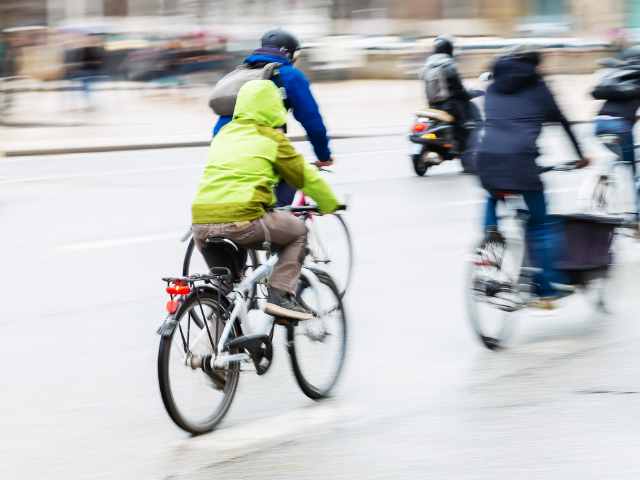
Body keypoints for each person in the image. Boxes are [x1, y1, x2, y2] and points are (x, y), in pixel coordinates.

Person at [192, 79, 338, 320]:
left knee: (227, 293)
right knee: (298, 232)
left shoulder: (224, 134)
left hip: (201, 222)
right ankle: (280, 296)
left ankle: (218, 351)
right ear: (274, 107)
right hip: (243, 220)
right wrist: (331, 204)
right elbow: (306, 178)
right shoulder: (272, 138)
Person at [475, 46, 590, 308]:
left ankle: (490, 238)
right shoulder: (539, 88)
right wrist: (581, 155)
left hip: (487, 158)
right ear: (534, 65)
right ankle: (546, 290)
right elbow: (561, 121)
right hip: (522, 163)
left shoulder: (492, 86)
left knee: (493, 194)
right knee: (541, 226)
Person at [212, 29, 333, 206]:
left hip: (221, 144)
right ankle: (276, 224)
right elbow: (312, 121)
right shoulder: (290, 75)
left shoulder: (241, 73)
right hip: (260, 144)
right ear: (290, 54)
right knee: (291, 175)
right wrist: (323, 156)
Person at [593, 46, 640, 225]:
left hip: (599, 124)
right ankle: (636, 216)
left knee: (619, 154)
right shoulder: (636, 85)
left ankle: (605, 172)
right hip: (620, 127)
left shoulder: (619, 81)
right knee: (634, 172)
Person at [421, 35, 476, 155]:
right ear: (449, 49)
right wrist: (467, 95)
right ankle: (463, 153)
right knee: (465, 125)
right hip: (450, 106)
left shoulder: (427, 65)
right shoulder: (448, 64)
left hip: (432, 106)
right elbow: (458, 88)